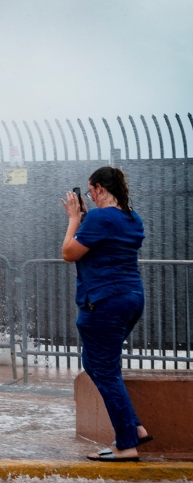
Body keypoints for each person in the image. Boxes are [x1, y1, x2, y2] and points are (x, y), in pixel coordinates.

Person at [60, 166, 151, 462]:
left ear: (99, 189)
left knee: (105, 370)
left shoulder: (99, 218)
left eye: (90, 192)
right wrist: (86, 219)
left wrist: (74, 219)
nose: (89, 197)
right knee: (95, 363)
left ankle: (126, 444)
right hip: (131, 298)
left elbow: (69, 252)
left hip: (103, 302)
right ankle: (135, 429)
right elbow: (107, 243)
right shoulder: (132, 217)